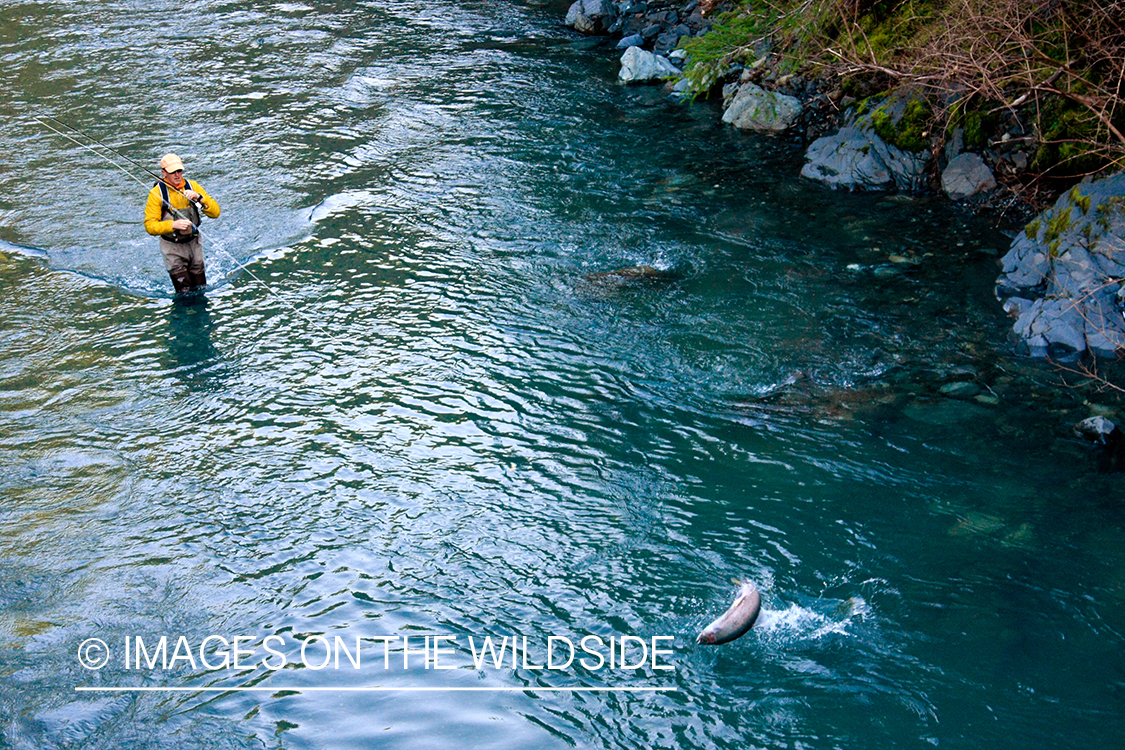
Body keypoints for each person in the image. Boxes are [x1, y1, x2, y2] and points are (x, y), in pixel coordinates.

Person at [143, 153, 220, 294]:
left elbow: (215, 213)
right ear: (164, 173)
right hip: (172, 248)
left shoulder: (193, 186)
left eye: (179, 171)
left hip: (194, 244)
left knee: (200, 288)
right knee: (184, 291)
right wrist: (172, 225)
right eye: (173, 172)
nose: (177, 175)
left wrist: (200, 198)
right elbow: (150, 226)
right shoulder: (156, 194)